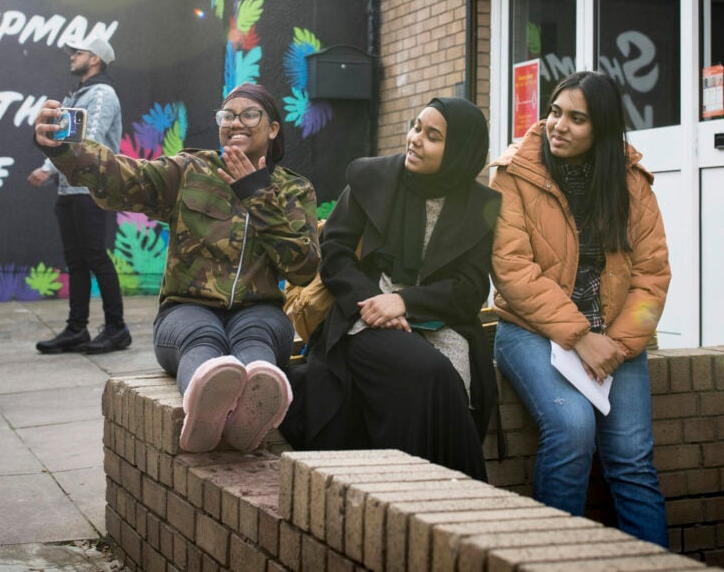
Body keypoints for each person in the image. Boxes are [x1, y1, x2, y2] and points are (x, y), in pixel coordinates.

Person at [32, 82, 319, 452]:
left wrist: (258, 195)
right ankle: (204, 406)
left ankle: (254, 413)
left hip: (259, 310)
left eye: (250, 114)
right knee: (203, 341)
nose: (236, 123)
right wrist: (65, 150)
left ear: (274, 128)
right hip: (186, 308)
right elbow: (127, 178)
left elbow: (303, 268)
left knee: (256, 342)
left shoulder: (294, 190)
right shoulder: (192, 170)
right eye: (227, 116)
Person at [489, 70, 670, 547]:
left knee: (632, 458)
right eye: (553, 111)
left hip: (613, 338)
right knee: (572, 428)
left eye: (577, 118)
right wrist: (580, 336)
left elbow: (652, 278)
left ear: (602, 129)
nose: (558, 125)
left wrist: (617, 343)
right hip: (529, 330)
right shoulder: (514, 173)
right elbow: (512, 270)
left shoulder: (632, 183)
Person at [281, 97, 500, 481]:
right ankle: (451, 493)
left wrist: (404, 302)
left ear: (460, 151)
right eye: (417, 127)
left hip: (437, 318)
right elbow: (334, 253)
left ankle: (437, 496)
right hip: (363, 311)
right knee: (431, 372)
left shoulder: (478, 205)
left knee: (449, 375)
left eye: (433, 136)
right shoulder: (374, 179)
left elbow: (469, 288)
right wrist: (376, 303)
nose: (415, 139)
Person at [28, 32, 130, 354]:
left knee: (95, 257)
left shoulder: (102, 94)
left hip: (92, 190)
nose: (71, 56)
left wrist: (47, 168)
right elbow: (66, 138)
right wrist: (52, 169)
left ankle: (117, 329)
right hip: (70, 190)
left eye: (78, 52)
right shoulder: (79, 93)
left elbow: (89, 138)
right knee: (77, 261)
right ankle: (76, 329)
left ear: (95, 59)